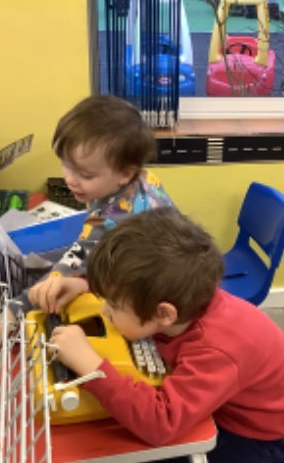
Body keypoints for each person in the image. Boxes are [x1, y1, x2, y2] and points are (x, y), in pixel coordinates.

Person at [47, 208, 284, 463]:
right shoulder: (185, 300)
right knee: (142, 454)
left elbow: (161, 424)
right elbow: (138, 299)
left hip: (268, 434)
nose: (106, 310)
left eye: (113, 303)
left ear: (164, 314)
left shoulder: (215, 349)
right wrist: (84, 285)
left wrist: (93, 367)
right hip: (245, 405)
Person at [22, 94, 174, 313]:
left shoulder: (110, 218)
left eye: (85, 175)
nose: (70, 180)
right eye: (66, 165)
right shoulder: (143, 177)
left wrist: (18, 306)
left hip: (151, 291)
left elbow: (70, 266)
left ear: (124, 173)